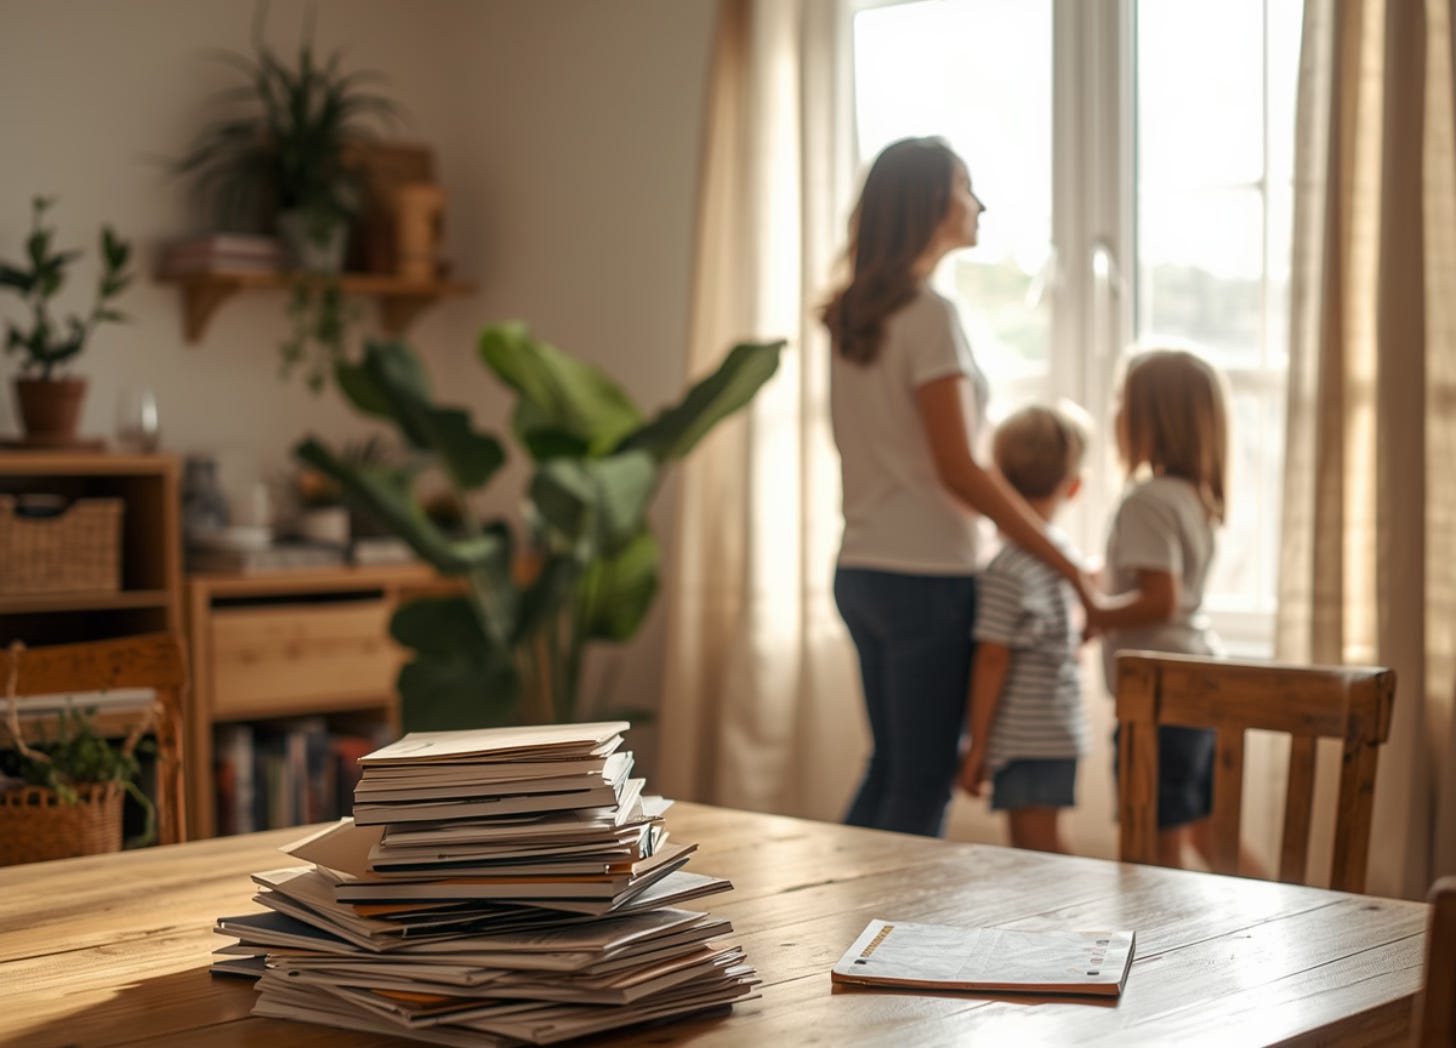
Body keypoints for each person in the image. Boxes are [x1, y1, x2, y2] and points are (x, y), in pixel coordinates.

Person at [821, 136, 1098, 838]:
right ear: (928, 204)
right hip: (926, 580)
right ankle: (878, 945)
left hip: (862, 570)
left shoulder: (857, 315)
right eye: (965, 186)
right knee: (919, 785)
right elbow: (959, 469)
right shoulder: (929, 315)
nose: (979, 203)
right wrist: (1070, 567)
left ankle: (842, 929)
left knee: (891, 770)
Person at [1095, 346, 1261, 873]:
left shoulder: (1145, 500)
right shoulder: (1193, 494)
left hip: (1160, 693)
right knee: (1206, 831)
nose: (1115, 413)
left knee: (1154, 847)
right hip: (1196, 681)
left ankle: (1163, 949)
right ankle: (1291, 921)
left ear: (1150, 417)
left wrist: (1096, 612)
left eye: (1123, 400)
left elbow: (1159, 601)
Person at [956, 404, 1091, 854]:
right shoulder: (1061, 553)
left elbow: (994, 656)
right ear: (1073, 487)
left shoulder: (1006, 568)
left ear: (996, 483)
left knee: (1036, 853)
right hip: (1058, 727)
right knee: (1043, 847)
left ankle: (1086, 926)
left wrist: (977, 744)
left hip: (1027, 737)